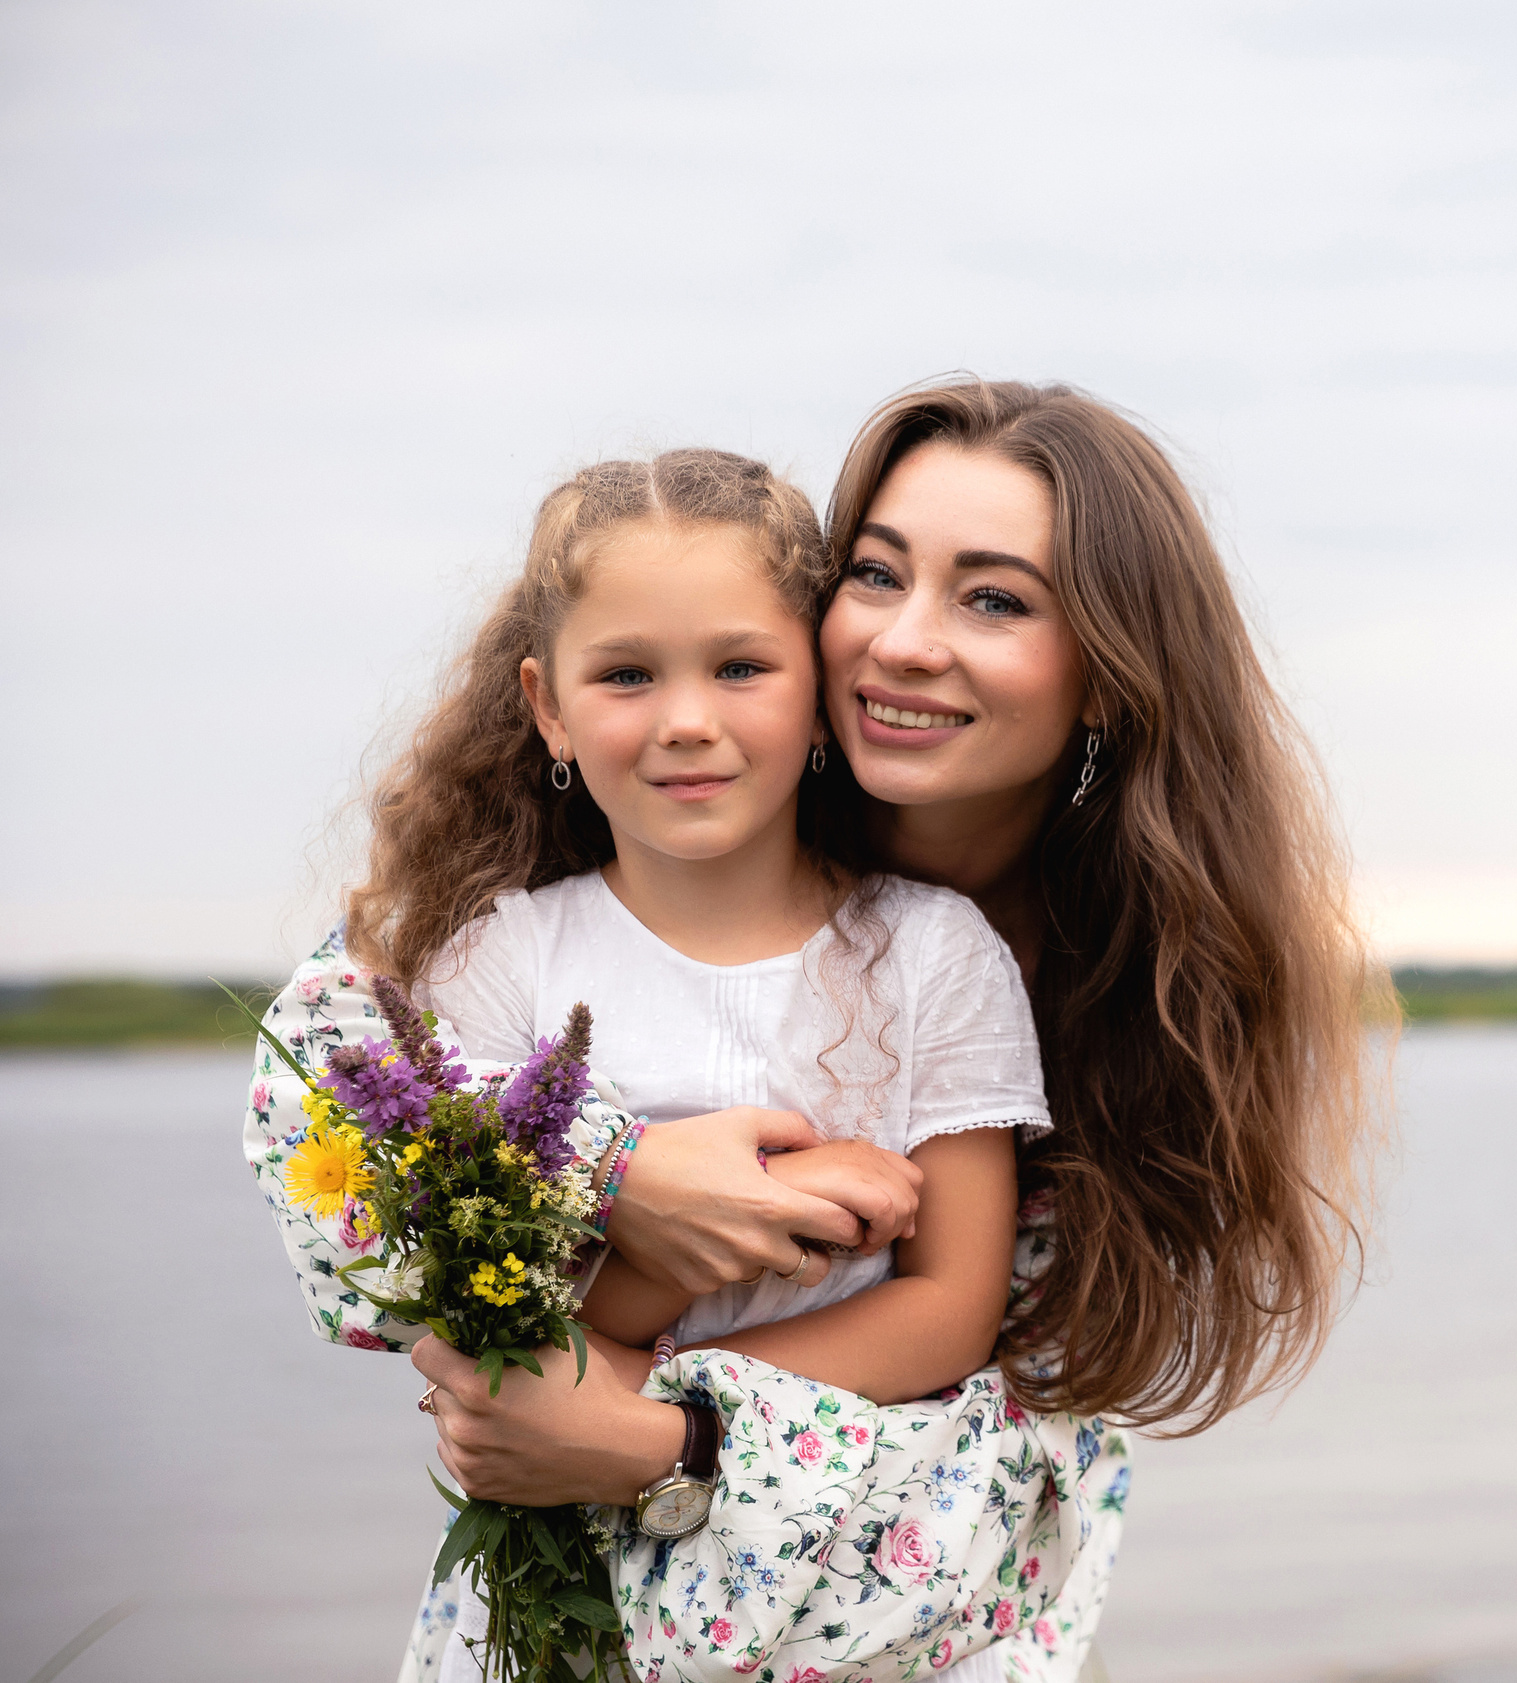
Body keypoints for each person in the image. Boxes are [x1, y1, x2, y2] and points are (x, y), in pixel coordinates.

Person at [248, 382, 1383, 1678]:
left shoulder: (1048, 989)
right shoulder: (528, 934)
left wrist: (655, 1427)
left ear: (1114, 679)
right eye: (878, 574)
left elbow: (983, 1459)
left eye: (995, 597)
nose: (903, 641)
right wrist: (623, 1179)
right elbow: (385, 1188)